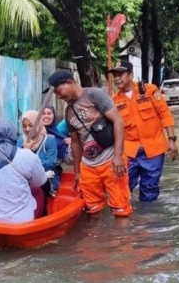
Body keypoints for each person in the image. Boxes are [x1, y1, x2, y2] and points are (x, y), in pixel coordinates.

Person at [47, 70, 132, 217]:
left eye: (59, 91)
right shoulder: (68, 112)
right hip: (88, 165)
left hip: (110, 159)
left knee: (121, 208)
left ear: (69, 82)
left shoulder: (94, 95)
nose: (59, 96)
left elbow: (118, 121)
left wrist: (118, 156)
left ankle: (122, 238)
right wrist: (77, 172)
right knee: (92, 209)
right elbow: (75, 142)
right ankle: (96, 239)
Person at [109, 61, 178, 202]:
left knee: (150, 190)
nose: (116, 78)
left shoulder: (150, 90)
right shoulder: (113, 101)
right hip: (129, 152)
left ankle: (148, 220)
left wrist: (172, 140)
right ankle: (125, 220)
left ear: (131, 75)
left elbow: (165, 114)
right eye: (114, 75)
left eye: (120, 74)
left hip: (154, 150)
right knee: (123, 188)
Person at [0, 118, 48, 223]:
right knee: (38, 192)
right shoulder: (27, 155)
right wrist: (27, 151)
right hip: (18, 221)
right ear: (13, 136)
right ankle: (40, 224)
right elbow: (39, 181)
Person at [18, 110, 60, 217]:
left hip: (46, 175)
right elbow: (15, 162)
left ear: (38, 124)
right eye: (24, 126)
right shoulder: (20, 141)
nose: (27, 129)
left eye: (31, 125)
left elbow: (51, 163)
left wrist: (28, 153)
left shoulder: (49, 140)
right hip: (25, 175)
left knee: (39, 187)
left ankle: (42, 214)